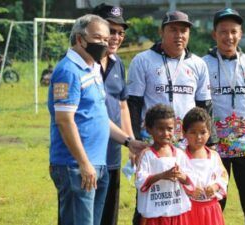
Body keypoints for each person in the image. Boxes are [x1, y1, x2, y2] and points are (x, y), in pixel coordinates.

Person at [47, 14, 145, 225]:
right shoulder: (68, 71)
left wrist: (129, 141)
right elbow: (64, 121)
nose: (104, 43)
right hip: (76, 166)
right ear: (80, 39)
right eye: (98, 38)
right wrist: (84, 163)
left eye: (106, 38)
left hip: (98, 165)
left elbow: (100, 117)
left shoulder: (92, 68)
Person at [127, 10, 213, 225]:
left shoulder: (198, 64)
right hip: (153, 142)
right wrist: (135, 142)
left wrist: (205, 145)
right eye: (173, 30)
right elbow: (134, 103)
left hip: (187, 142)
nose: (179, 35)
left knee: (184, 196)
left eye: (183, 30)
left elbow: (204, 107)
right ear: (161, 32)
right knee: (148, 196)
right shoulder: (143, 60)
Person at [202, 8, 245, 225]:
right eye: (223, 32)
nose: (229, 37)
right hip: (215, 144)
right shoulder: (202, 64)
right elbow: (200, 105)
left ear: (241, 34)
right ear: (214, 34)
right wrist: (206, 141)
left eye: (234, 31)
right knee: (214, 200)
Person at [91, 4, 134, 225]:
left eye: (120, 32)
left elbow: (123, 106)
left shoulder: (118, 65)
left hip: (112, 153)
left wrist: (132, 143)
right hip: (87, 154)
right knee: (84, 216)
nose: (116, 37)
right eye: (111, 30)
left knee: (109, 216)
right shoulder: (85, 65)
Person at [135, 104, 194, 225]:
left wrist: (181, 176)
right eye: (160, 129)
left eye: (169, 129)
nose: (166, 133)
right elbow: (140, 181)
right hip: (154, 214)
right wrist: (162, 175)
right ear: (149, 129)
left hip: (177, 211)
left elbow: (191, 179)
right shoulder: (146, 155)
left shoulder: (179, 154)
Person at [182, 107, 228, 225]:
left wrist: (215, 187)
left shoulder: (214, 156)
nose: (198, 137)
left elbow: (223, 176)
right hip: (188, 209)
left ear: (210, 132)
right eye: (193, 132)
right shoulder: (180, 157)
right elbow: (177, 180)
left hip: (211, 209)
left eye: (203, 132)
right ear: (184, 133)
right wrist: (190, 190)